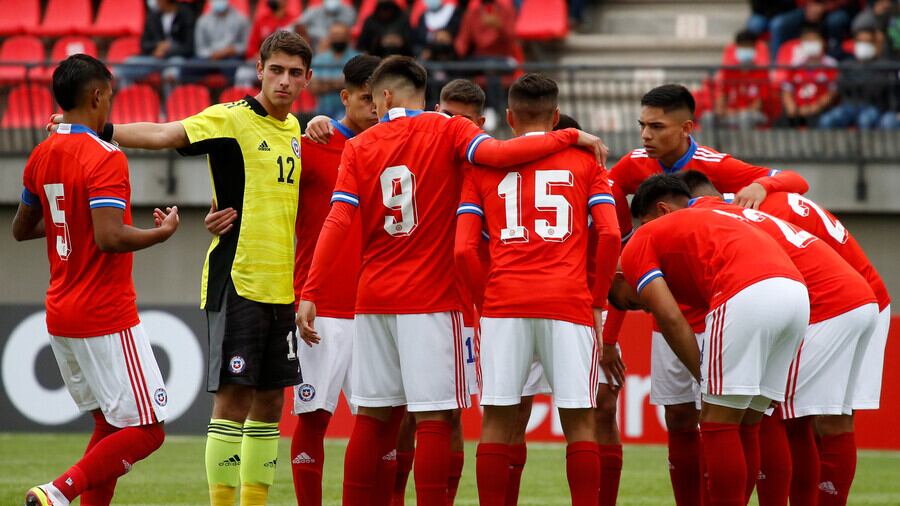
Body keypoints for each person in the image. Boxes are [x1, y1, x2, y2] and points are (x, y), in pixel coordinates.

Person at [296, 55, 607, 505]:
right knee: (434, 419)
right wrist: (571, 135)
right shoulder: (449, 129)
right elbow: (501, 154)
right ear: (422, 96)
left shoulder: (360, 146)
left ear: (384, 96)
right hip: (430, 296)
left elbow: (337, 220)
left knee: (371, 418)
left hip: (372, 297)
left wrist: (311, 291)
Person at [49, 31, 313, 506]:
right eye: (276, 70)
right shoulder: (231, 118)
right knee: (233, 402)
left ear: (308, 79)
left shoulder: (296, 130)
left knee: (272, 404)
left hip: (281, 285)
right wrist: (98, 132)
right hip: (238, 279)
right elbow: (165, 133)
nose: (284, 81)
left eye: (295, 73)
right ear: (259, 69)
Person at [600, 82, 810, 506]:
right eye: (641, 126)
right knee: (680, 415)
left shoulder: (713, 164)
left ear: (686, 128)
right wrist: (609, 337)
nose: (645, 137)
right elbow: (622, 268)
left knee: (742, 415)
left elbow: (795, 180)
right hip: (672, 307)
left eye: (656, 127)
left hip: (727, 305)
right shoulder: (632, 167)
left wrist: (766, 187)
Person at [15, 54, 179, 506]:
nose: (111, 104)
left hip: (60, 314)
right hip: (104, 314)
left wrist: (71, 220)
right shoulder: (106, 156)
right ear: (95, 96)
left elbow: (21, 228)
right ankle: (58, 491)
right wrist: (160, 234)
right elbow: (110, 238)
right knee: (147, 431)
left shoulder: (41, 153)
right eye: (110, 95)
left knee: (110, 426)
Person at [679, 170, 892, 506]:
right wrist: (766, 183)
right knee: (825, 418)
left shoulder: (744, 219)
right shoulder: (756, 202)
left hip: (833, 304)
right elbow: (796, 180)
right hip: (865, 299)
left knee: (773, 408)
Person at [455, 73, 621, 506]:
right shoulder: (587, 162)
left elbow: (463, 250)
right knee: (580, 422)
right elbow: (609, 235)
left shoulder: (482, 165)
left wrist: (484, 301)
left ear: (508, 117)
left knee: (496, 420)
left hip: (504, 303)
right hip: (567, 302)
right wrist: (598, 300)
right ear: (555, 115)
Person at [818, 27, 894, 129]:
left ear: (875, 45)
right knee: (826, 120)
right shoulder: (848, 64)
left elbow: (877, 90)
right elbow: (842, 87)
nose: (863, 45)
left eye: (867, 42)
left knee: (865, 120)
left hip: (873, 106)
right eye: (860, 42)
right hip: (849, 106)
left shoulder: (883, 66)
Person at [703, 30, 771, 130]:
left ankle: (745, 145)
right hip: (730, 113)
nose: (745, 50)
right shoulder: (728, 72)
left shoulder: (762, 73)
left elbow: (758, 105)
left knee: (745, 117)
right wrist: (721, 109)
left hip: (754, 115)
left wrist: (738, 112)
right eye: (742, 47)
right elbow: (722, 96)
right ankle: (706, 146)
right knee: (707, 117)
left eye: (748, 47)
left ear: (755, 49)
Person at [117, 0, 195, 85]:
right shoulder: (152, 16)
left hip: (177, 58)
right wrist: (157, 46)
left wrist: (166, 51)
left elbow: (189, 47)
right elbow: (144, 44)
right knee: (126, 66)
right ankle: (126, 97)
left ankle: (172, 98)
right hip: (154, 59)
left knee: (170, 74)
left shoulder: (186, 15)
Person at [780, 25, 838, 127]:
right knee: (782, 123)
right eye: (807, 40)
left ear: (823, 42)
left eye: (814, 40)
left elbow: (832, 92)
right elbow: (787, 90)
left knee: (819, 121)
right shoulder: (795, 65)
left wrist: (816, 107)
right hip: (798, 109)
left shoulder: (831, 65)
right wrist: (792, 107)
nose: (810, 43)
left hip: (819, 110)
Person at [769, 0, 859, 59]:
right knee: (778, 24)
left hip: (836, 8)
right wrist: (809, 4)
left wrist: (825, 6)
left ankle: (834, 57)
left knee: (836, 21)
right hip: (807, 6)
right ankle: (776, 68)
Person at [189, 0, 250, 84]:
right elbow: (200, 48)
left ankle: (233, 95)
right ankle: (191, 95)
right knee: (187, 68)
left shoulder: (241, 19)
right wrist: (212, 54)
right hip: (209, 58)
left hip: (230, 56)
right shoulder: (202, 20)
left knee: (234, 68)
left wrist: (233, 50)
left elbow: (246, 45)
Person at [309, 23, 360, 119]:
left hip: (350, 115)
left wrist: (325, 83)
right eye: (335, 36)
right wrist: (341, 84)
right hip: (322, 114)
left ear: (348, 37)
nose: (338, 39)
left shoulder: (358, 58)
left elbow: (358, 86)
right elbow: (314, 87)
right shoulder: (319, 59)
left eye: (341, 36)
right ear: (329, 37)